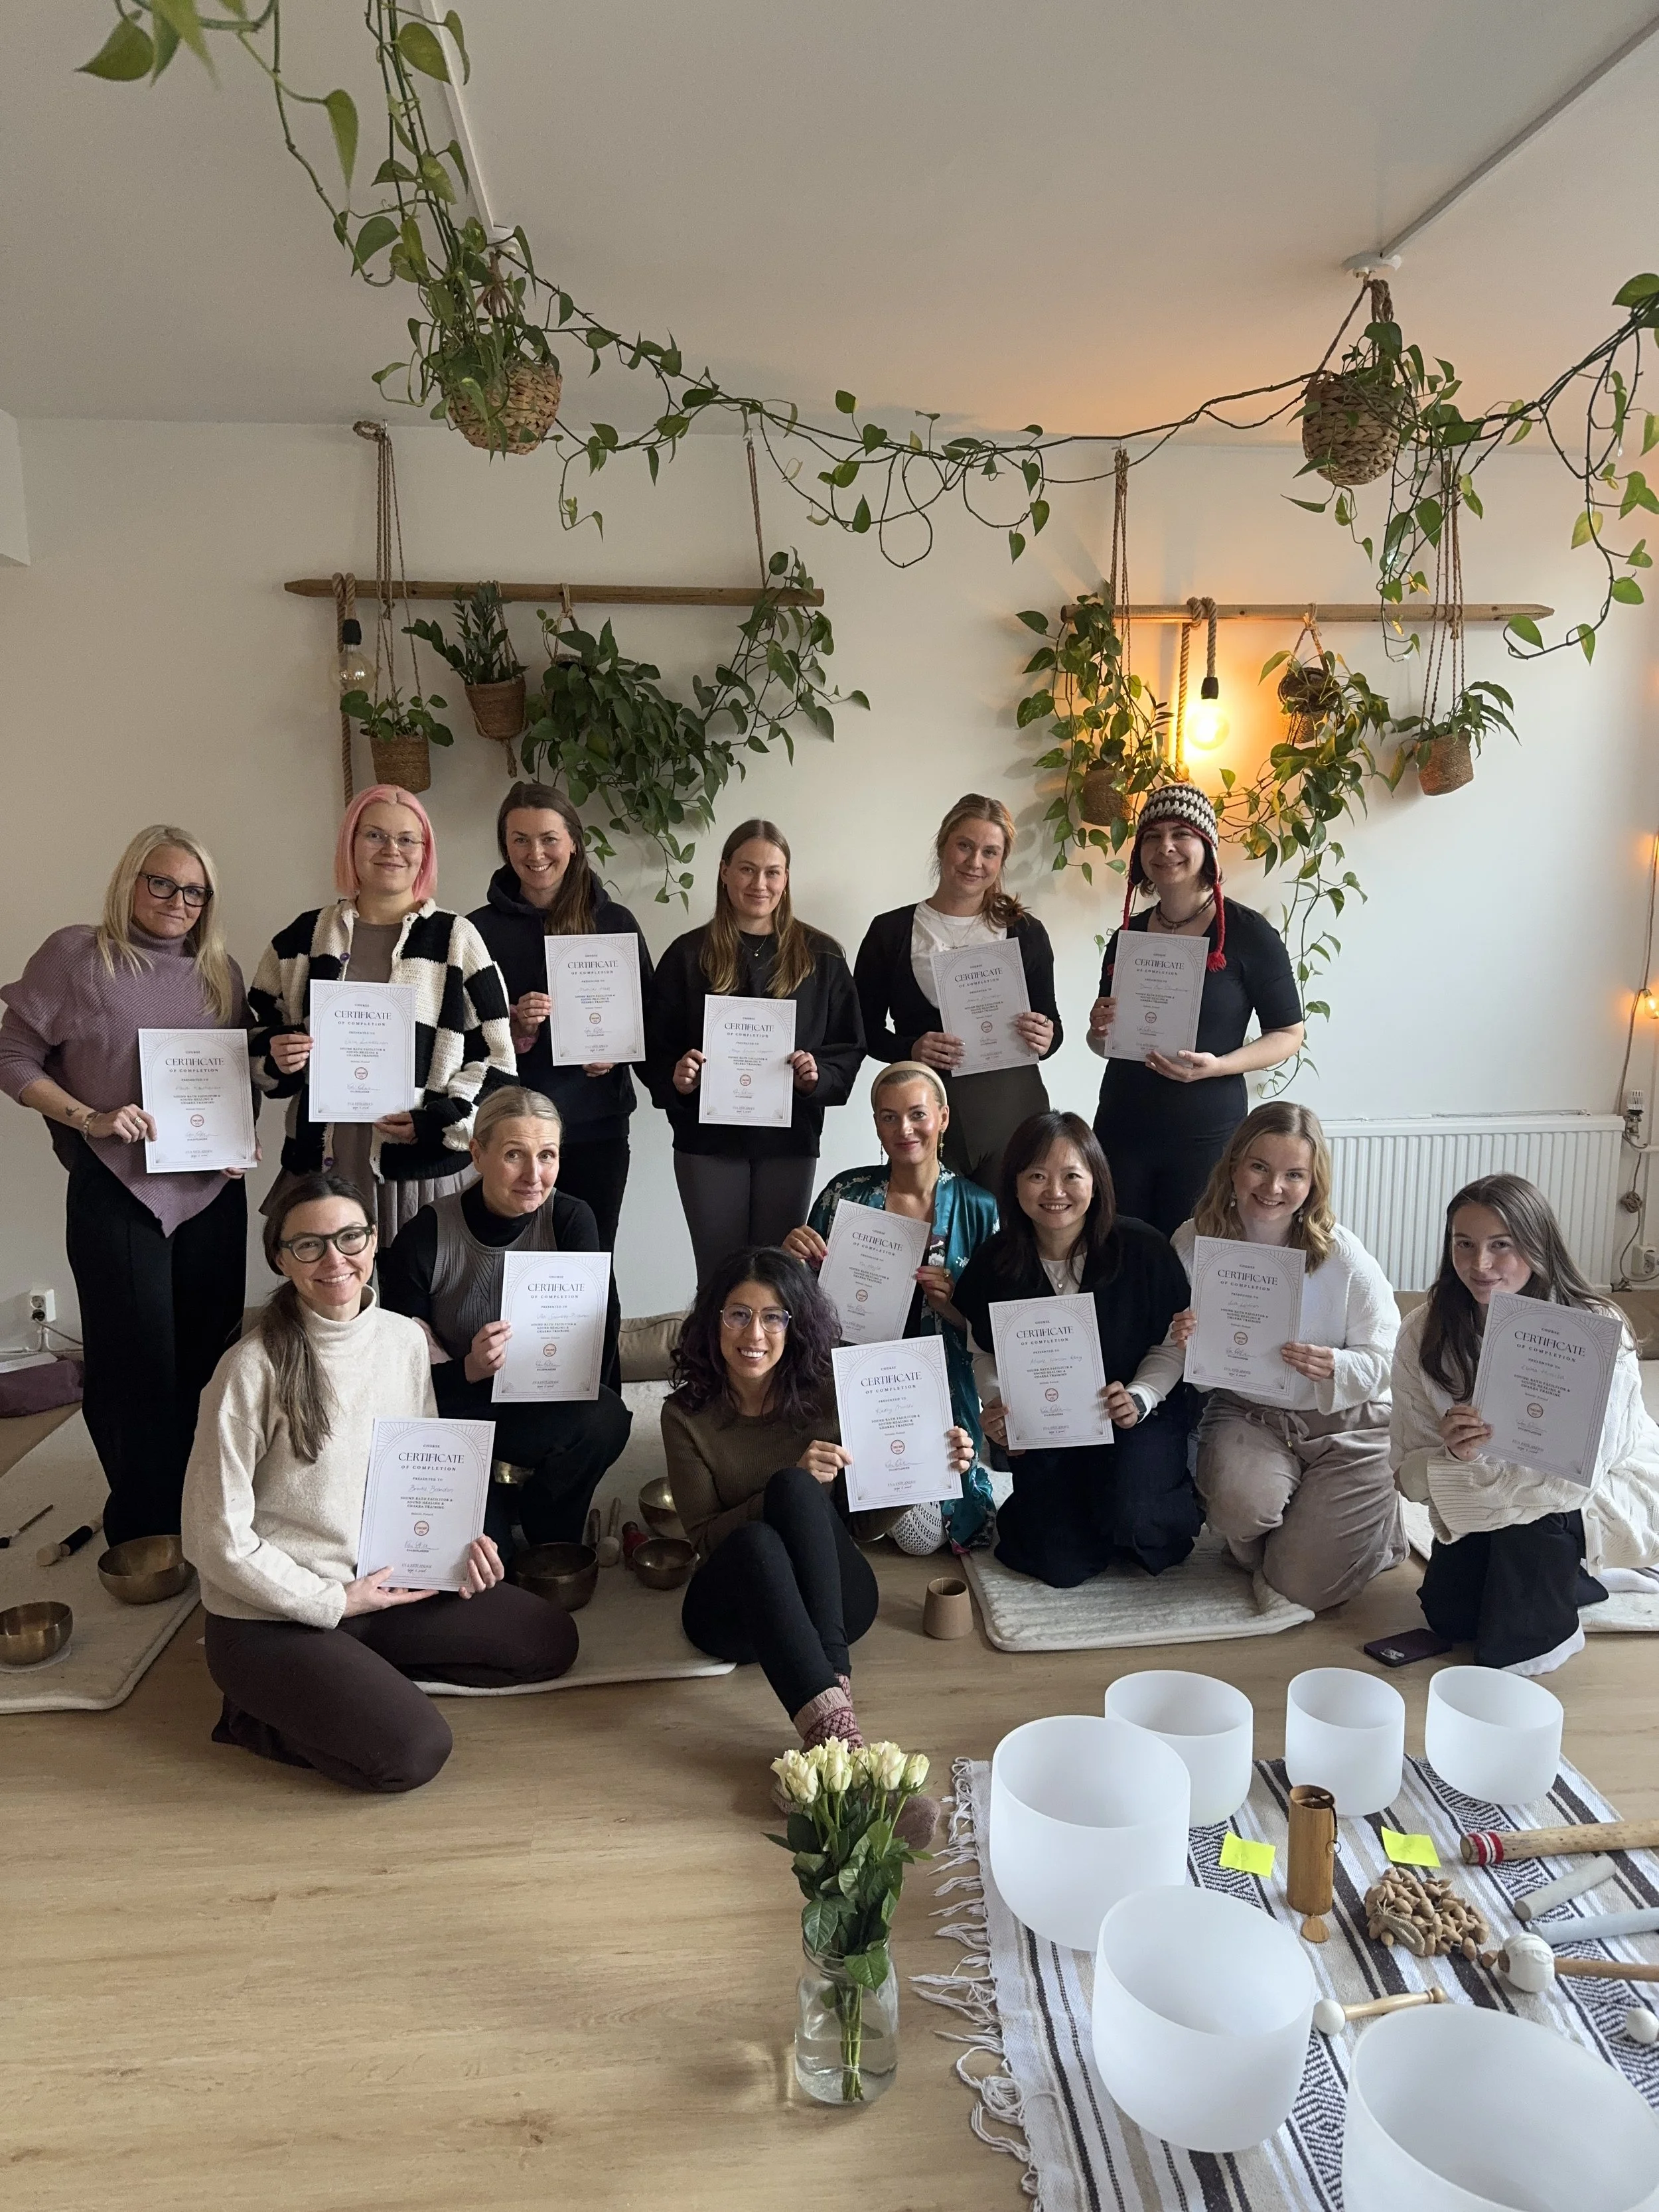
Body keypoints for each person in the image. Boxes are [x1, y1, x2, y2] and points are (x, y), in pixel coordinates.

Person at [181, 1174, 577, 1792]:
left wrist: (456, 1547)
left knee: (548, 1639)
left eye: (350, 1237)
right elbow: (212, 1537)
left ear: (373, 1241)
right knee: (413, 1752)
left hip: (380, 1585)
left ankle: (352, 1672)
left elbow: (419, 1471)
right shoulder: (247, 1369)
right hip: (273, 1614)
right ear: (281, 1258)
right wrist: (333, 1602)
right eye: (309, 1245)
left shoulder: (403, 1339)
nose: (335, 1259)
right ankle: (252, 1713)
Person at [0, 825, 251, 1544]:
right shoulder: (78, 956)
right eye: (161, 882)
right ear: (130, 882)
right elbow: (14, 1053)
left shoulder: (220, 972)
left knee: (210, 1354)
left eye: (194, 890)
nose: (177, 900)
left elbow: (230, 1077)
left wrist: (239, 1139)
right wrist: (91, 1118)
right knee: (131, 1359)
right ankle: (144, 1522)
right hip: (116, 1187)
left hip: (209, 1193)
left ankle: (201, 1510)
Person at [664, 1246, 973, 1748]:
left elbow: (859, 1526)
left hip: (833, 1607)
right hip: (741, 1607)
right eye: (738, 1315)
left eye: (773, 1318)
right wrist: (788, 1480)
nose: (755, 1335)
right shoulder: (686, 1415)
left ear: (796, 1324)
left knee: (794, 1488)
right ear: (714, 1320)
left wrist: (927, 1470)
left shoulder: (831, 1390)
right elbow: (703, 1539)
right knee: (762, 1529)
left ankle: (832, 1710)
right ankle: (838, 1732)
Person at [1391, 1173, 1659, 1674]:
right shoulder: (1423, 1332)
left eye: (1501, 1246)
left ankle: (1571, 1576)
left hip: (1575, 1497)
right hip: (1481, 1494)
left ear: (1537, 1245)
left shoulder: (1598, 1330)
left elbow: (1572, 1479)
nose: (1480, 1265)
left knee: (1509, 1649)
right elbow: (1406, 1474)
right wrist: (1452, 1454)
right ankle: (1575, 1580)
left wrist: (1458, 1477)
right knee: (1451, 1618)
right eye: (1464, 1244)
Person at [247, 784, 516, 1243]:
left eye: (408, 839)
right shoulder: (302, 938)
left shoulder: (458, 938)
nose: (392, 850)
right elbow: (255, 1038)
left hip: (416, 1171)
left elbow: (498, 1060)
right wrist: (275, 1055)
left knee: (413, 1309)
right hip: (322, 1163)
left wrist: (436, 1121)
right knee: (328, 1304)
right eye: (374, 835)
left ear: (425, 852)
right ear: (351, 844)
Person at [1162, 1102, 1404, 1611]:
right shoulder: (1192, 1241)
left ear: (1313, 1183)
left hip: (1344, 1426)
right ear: (1233, 1167)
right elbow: (1167, 1348)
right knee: (1242, 1515)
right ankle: (1310, 1527)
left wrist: (1338, 1365)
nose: (1273, 1188)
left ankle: (1371, 1523)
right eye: (1259, 1167)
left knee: (1297, 1585)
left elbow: (1389, 1358)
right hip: (1249, 1413)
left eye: (1294, 1174)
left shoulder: (1343, 1256)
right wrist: (1183, 1337)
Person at [379, 1085, 631, 1558]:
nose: (535, 1176)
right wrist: (470, 1367)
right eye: (515, 1154)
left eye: (548, 1155)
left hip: (539, 1404)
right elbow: (399, 1380)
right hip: (452, 1412)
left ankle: (547, 1520)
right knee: (493, 1567)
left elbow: (601, 1334)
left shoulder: (572, 1219)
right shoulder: (425, 1235)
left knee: (605, 1416)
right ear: (477, 1152)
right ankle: (494, 1504)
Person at [952, 1112, 1198, 1587]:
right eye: (1037, 1176)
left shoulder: (1143, 1249)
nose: (1055, 1192)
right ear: (1016, 1183)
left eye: (1071, 1176)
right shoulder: (996, 1261)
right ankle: (1087, 1511)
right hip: (1048, 1429)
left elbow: (1172, 1343)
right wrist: (997, 1404)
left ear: (1096, 1179)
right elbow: (982, 1350)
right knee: (1055, 1561)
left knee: (1135, 1517)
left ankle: (1141, 1500)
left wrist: (1142, 1396)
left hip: (1134, 1420)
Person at [781, 1060, 999, 1553]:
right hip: (849, 1379)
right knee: (814, 1479)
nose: (904, 1129)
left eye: (917, 1114)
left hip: (938, 1385)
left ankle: (876, 1493)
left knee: (924, 1535)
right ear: (876, 1124)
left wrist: (954, 1311)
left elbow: (994, 1330)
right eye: (888, 1117)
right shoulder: (845, 1193)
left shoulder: (979, 1208)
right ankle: (860, 1494)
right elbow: (803, 1304)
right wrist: (791, 1258)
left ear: (943, 1117)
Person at [644, 818, 865, 1286]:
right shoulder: (688, 955)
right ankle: (709, 1361)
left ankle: (775, 1362)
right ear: (724, 872)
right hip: (708, 1146)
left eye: (773, 872)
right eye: (747, 869)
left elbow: (848, 1046)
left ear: (786, 879)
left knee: (778, 1277)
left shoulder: (822, 957)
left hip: (788, 1143)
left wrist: (815, 1075)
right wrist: (677, 1075)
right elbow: (654, 1045)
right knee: (720, 1277)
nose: (759, 884)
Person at [1087, 782, 1304, 1235]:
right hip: (1122, 1125)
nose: (1165, 847)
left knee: (1191, 1255)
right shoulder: (1129, 933)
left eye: (1180, 834)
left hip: (1206, 1132)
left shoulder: (1249, 934)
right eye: (1151, 836)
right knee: (1116, 1250)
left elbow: (1289, 1033)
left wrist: (1219, 1065)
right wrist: (1098, 1027)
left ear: (1206, 847)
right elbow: (1103, 1043)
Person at [469, 781, 654, 1250]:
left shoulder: (615, 923)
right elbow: (457, 1041)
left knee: (591, 1261)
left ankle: (601, 1331)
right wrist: (511, 1029)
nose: (535, 853)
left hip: (596, 1127)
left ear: (573, 841)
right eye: (520, 839)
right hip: (509, 1133)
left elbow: (650, 1019)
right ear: (504, 845)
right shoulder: (475, 932)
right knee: (509, 1263)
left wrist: (616, 1050)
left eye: (549, 838)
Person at [853, 794, 1061, 1193]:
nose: (974, 862)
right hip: (921, 1115)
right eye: (965, 846)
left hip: (1011, 1111)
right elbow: (862, 1030)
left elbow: (1053, 1030)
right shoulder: (890, 932)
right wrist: (910, 1049)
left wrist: (1045, 1036)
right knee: (928, 1237)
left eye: (990, 852)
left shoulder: (1026, 932)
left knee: (1010, 1238)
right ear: (943, 845)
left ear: (1001, 861)